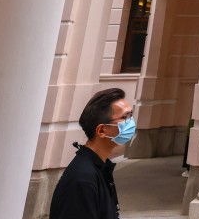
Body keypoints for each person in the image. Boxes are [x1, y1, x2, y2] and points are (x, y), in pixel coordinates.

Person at [49, 87, 136, 219]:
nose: (131, 122)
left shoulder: (101, 168)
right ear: (101, 130)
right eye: (124, 117)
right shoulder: (82, 179)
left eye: (131, 115)